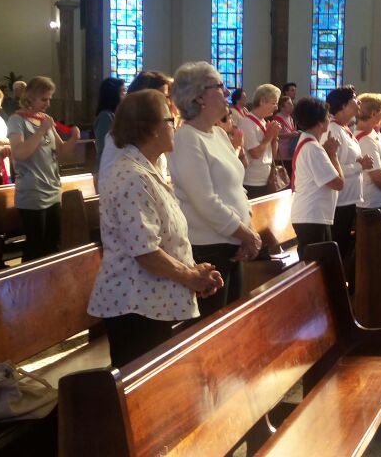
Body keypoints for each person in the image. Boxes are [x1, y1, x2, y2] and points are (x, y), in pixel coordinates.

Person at [87, 89, 223, 367]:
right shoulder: (132, 177)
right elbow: (145, 251)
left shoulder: (149, 169)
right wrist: (189, 277)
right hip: (134, 306)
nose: (175, 125)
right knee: (139, 386)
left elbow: (164, 237)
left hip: (151, 302)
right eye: (170, 119)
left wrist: (194, 271)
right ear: (151, 128)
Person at [170, 62, 261, 319]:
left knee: (231, 322)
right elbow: (205, 201)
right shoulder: (187, 138)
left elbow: (237, 189)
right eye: (220, 86)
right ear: (198, 97)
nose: (227, 91)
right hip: (209, 250)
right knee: (211, 326)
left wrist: (247, 230)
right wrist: (245, 234)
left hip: (233, 243)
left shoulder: (218, 135)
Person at [7, 76, 82, 261]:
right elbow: (19, 153)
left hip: (53, 190)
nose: (48, 103)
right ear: (30, 97)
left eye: (49, 99)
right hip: (33, 192)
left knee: (53, 245)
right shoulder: (17, 120)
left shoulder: (45, 119)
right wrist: (41, 130)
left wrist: (73, 139)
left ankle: (51, 278)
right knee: (35, 248)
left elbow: (61, 152)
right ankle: (30, 280)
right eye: (44, 99)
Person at [324, 87, 372, 282]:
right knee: (339, 244)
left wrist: (359, 162)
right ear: (343, 105)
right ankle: (336, 285)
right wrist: (360, 165)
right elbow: (331, 167)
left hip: (350, 198)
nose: (358, 103)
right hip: (340, 201)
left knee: (345, 245)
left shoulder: (344, 128)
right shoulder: (332, 130)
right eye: (354, 100)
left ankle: (343, 283)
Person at [97, 71, 174, 182]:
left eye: (167, 97)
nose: (168, 103)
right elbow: (115, 181)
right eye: (162, 97)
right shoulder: (121, 139)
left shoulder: (150, 137)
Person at [290, 97, 343, 247]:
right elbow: (338, 183)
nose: (329, 119)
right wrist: (333, 154)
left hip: (313, 216)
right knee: (316, 260)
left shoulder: (310, 143)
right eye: (327, 116)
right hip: (311, 217)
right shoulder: (313, 148)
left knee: (321, 259)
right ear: (320, 122)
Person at [238, 84, 281, 199]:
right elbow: (255, 153)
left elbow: (273, 155)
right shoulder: (247, 123)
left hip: (265, 178)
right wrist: (269, 136)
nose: (276, 107)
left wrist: (275, 137)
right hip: (252, 181)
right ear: (262, 101)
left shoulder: (263, 122)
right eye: (274, 103)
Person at [93, 77, 127, 170]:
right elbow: (104, 146)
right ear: (114, 94)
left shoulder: (117, 114)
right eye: (123, 91)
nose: (126, 94)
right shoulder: (105, 116)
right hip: (107, 166)